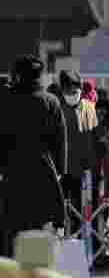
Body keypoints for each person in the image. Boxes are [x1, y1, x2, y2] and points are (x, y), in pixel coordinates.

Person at [0, 55, 67, 257]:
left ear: (17, 75)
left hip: (11, 169)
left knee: (11, 223)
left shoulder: (5, 99)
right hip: (44, 169)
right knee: (39, 222)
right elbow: (60, 140)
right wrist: (59, 170)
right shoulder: (51, 101)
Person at [57, 70, 99, 237]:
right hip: (62, 171)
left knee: (86, 214)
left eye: (76, 91)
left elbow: (95, 138)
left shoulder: (88, 108)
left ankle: (87, 248)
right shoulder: (56, 107)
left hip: (86, 171)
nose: (73, 95)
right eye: (69, 92)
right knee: (63, 214)